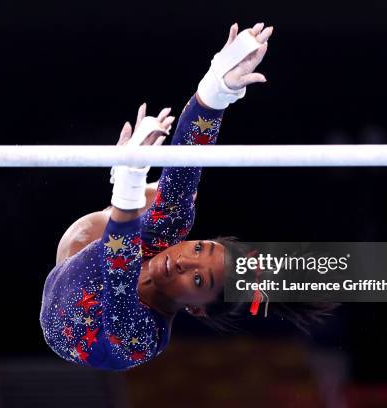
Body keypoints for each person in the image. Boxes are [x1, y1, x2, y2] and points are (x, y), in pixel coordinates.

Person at [40, 22, 329, 371]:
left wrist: (129, 177)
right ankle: (128, 188)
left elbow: (118, 272)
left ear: (198, 308)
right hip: (85, 252)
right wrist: (217, 88)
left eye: (197, 280)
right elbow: (186, 163)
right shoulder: (167, 233)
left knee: (128, 241)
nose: (183, 261)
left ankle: (126, 185)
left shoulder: (143, 337)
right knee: (171, 205)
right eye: (198, 249)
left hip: (79, 323)